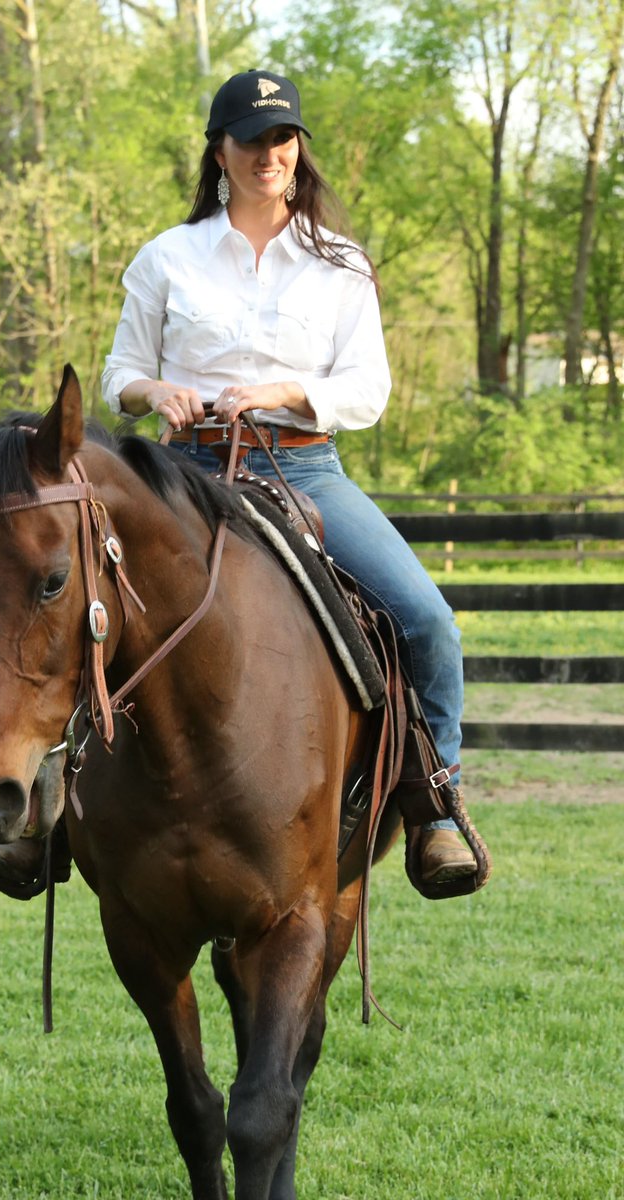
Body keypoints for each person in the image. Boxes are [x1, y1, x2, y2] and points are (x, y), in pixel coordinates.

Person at [101, 68, 477, 885]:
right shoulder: (168, 257)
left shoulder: (339, 263)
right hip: (184, 466)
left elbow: (367, 390)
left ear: (298, 149)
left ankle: (434, 806)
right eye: (251, 138)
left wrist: (287, 391)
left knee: (428, 621)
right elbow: (118, 375)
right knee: (74, 600)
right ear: (220, 151)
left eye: (282, 137)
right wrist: (154, 390)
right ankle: (47, 812)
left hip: (302, 463)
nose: (268, 153)